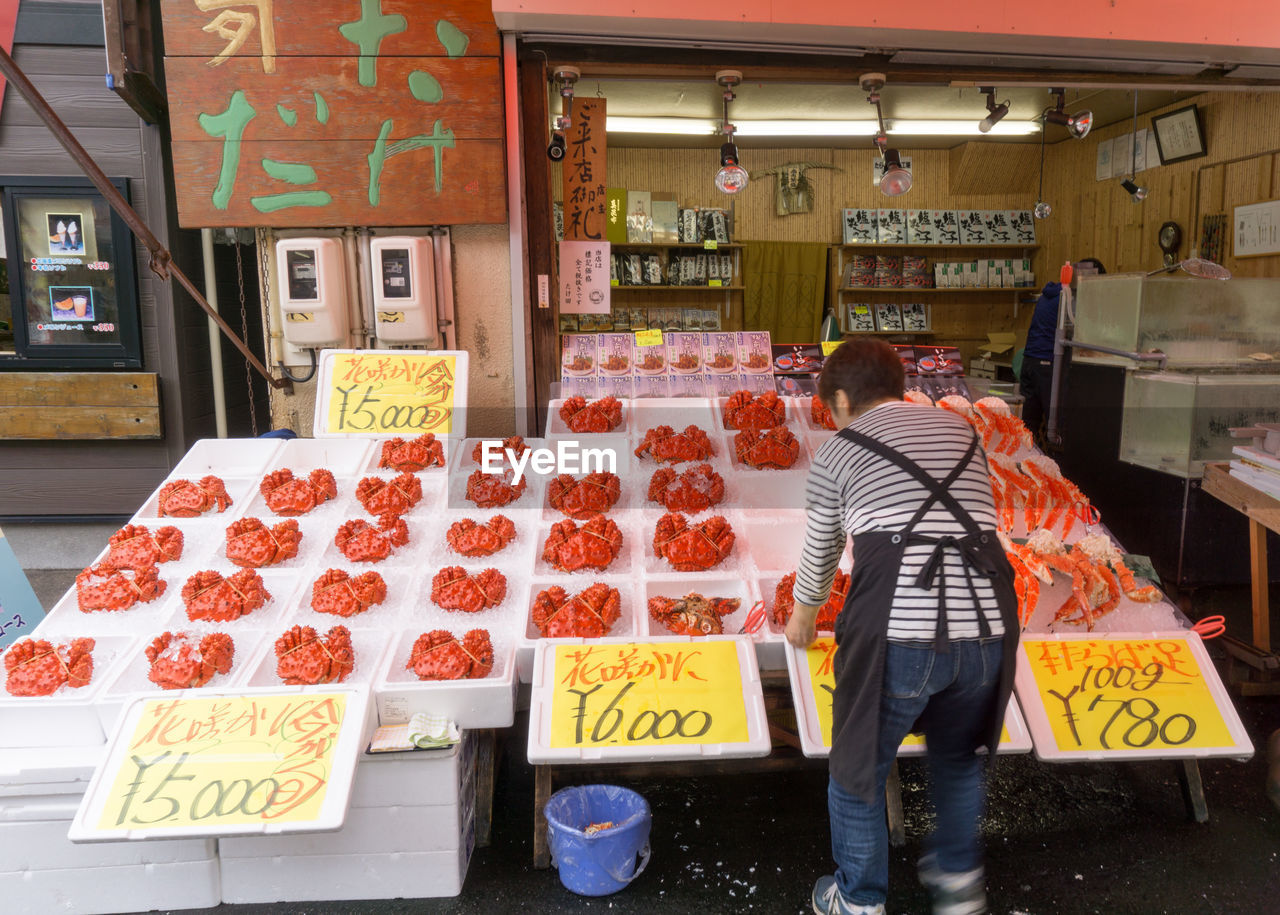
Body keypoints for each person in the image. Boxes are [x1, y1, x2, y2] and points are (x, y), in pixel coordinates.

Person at [787, 338, 1019, 915]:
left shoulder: (837, 453)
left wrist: (802, 619)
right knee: (959, 754)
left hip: (901, 633)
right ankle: (959, 882)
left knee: (858, 766)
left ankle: (860, 899)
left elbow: (819, 555)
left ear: (840, 399)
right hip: (990, 625)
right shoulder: (960, 432)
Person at [1019, 258, 1106, 447]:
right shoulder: (1068, 298)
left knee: (1027, 426)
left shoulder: (1051, 293)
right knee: (1057, 427)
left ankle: (1025, 466)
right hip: (1048, 366)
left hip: (1029, 363)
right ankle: (1056, 470)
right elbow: (1083, 332)